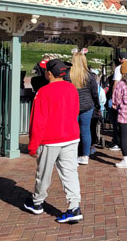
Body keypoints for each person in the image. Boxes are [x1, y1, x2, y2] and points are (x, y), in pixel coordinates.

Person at [24, 59, 83, 223]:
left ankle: (37, 202)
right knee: (70, 173)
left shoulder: (44, 92)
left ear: (49, 73)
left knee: (44, 174)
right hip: (71, 136)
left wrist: (32, 146)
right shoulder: (72, 89)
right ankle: (74, 206)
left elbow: (38, 122)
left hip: (50, 139)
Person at [70, 52, 100, 165]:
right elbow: (94, 93)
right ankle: (85, 156)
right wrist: (97, 105)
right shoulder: (90, 76)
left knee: (73, 131)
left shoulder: (68, 75)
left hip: (73, 105)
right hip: (87, 105)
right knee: (85, 130)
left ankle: (72, 155)